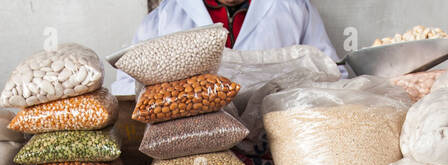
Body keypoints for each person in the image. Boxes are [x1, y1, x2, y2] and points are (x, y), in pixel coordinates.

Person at [111, 0, 340, 93]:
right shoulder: (165, 18)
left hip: (277, 143)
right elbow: (126, 87)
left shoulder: (292, 8)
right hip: (194, 147)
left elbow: (333, 74)